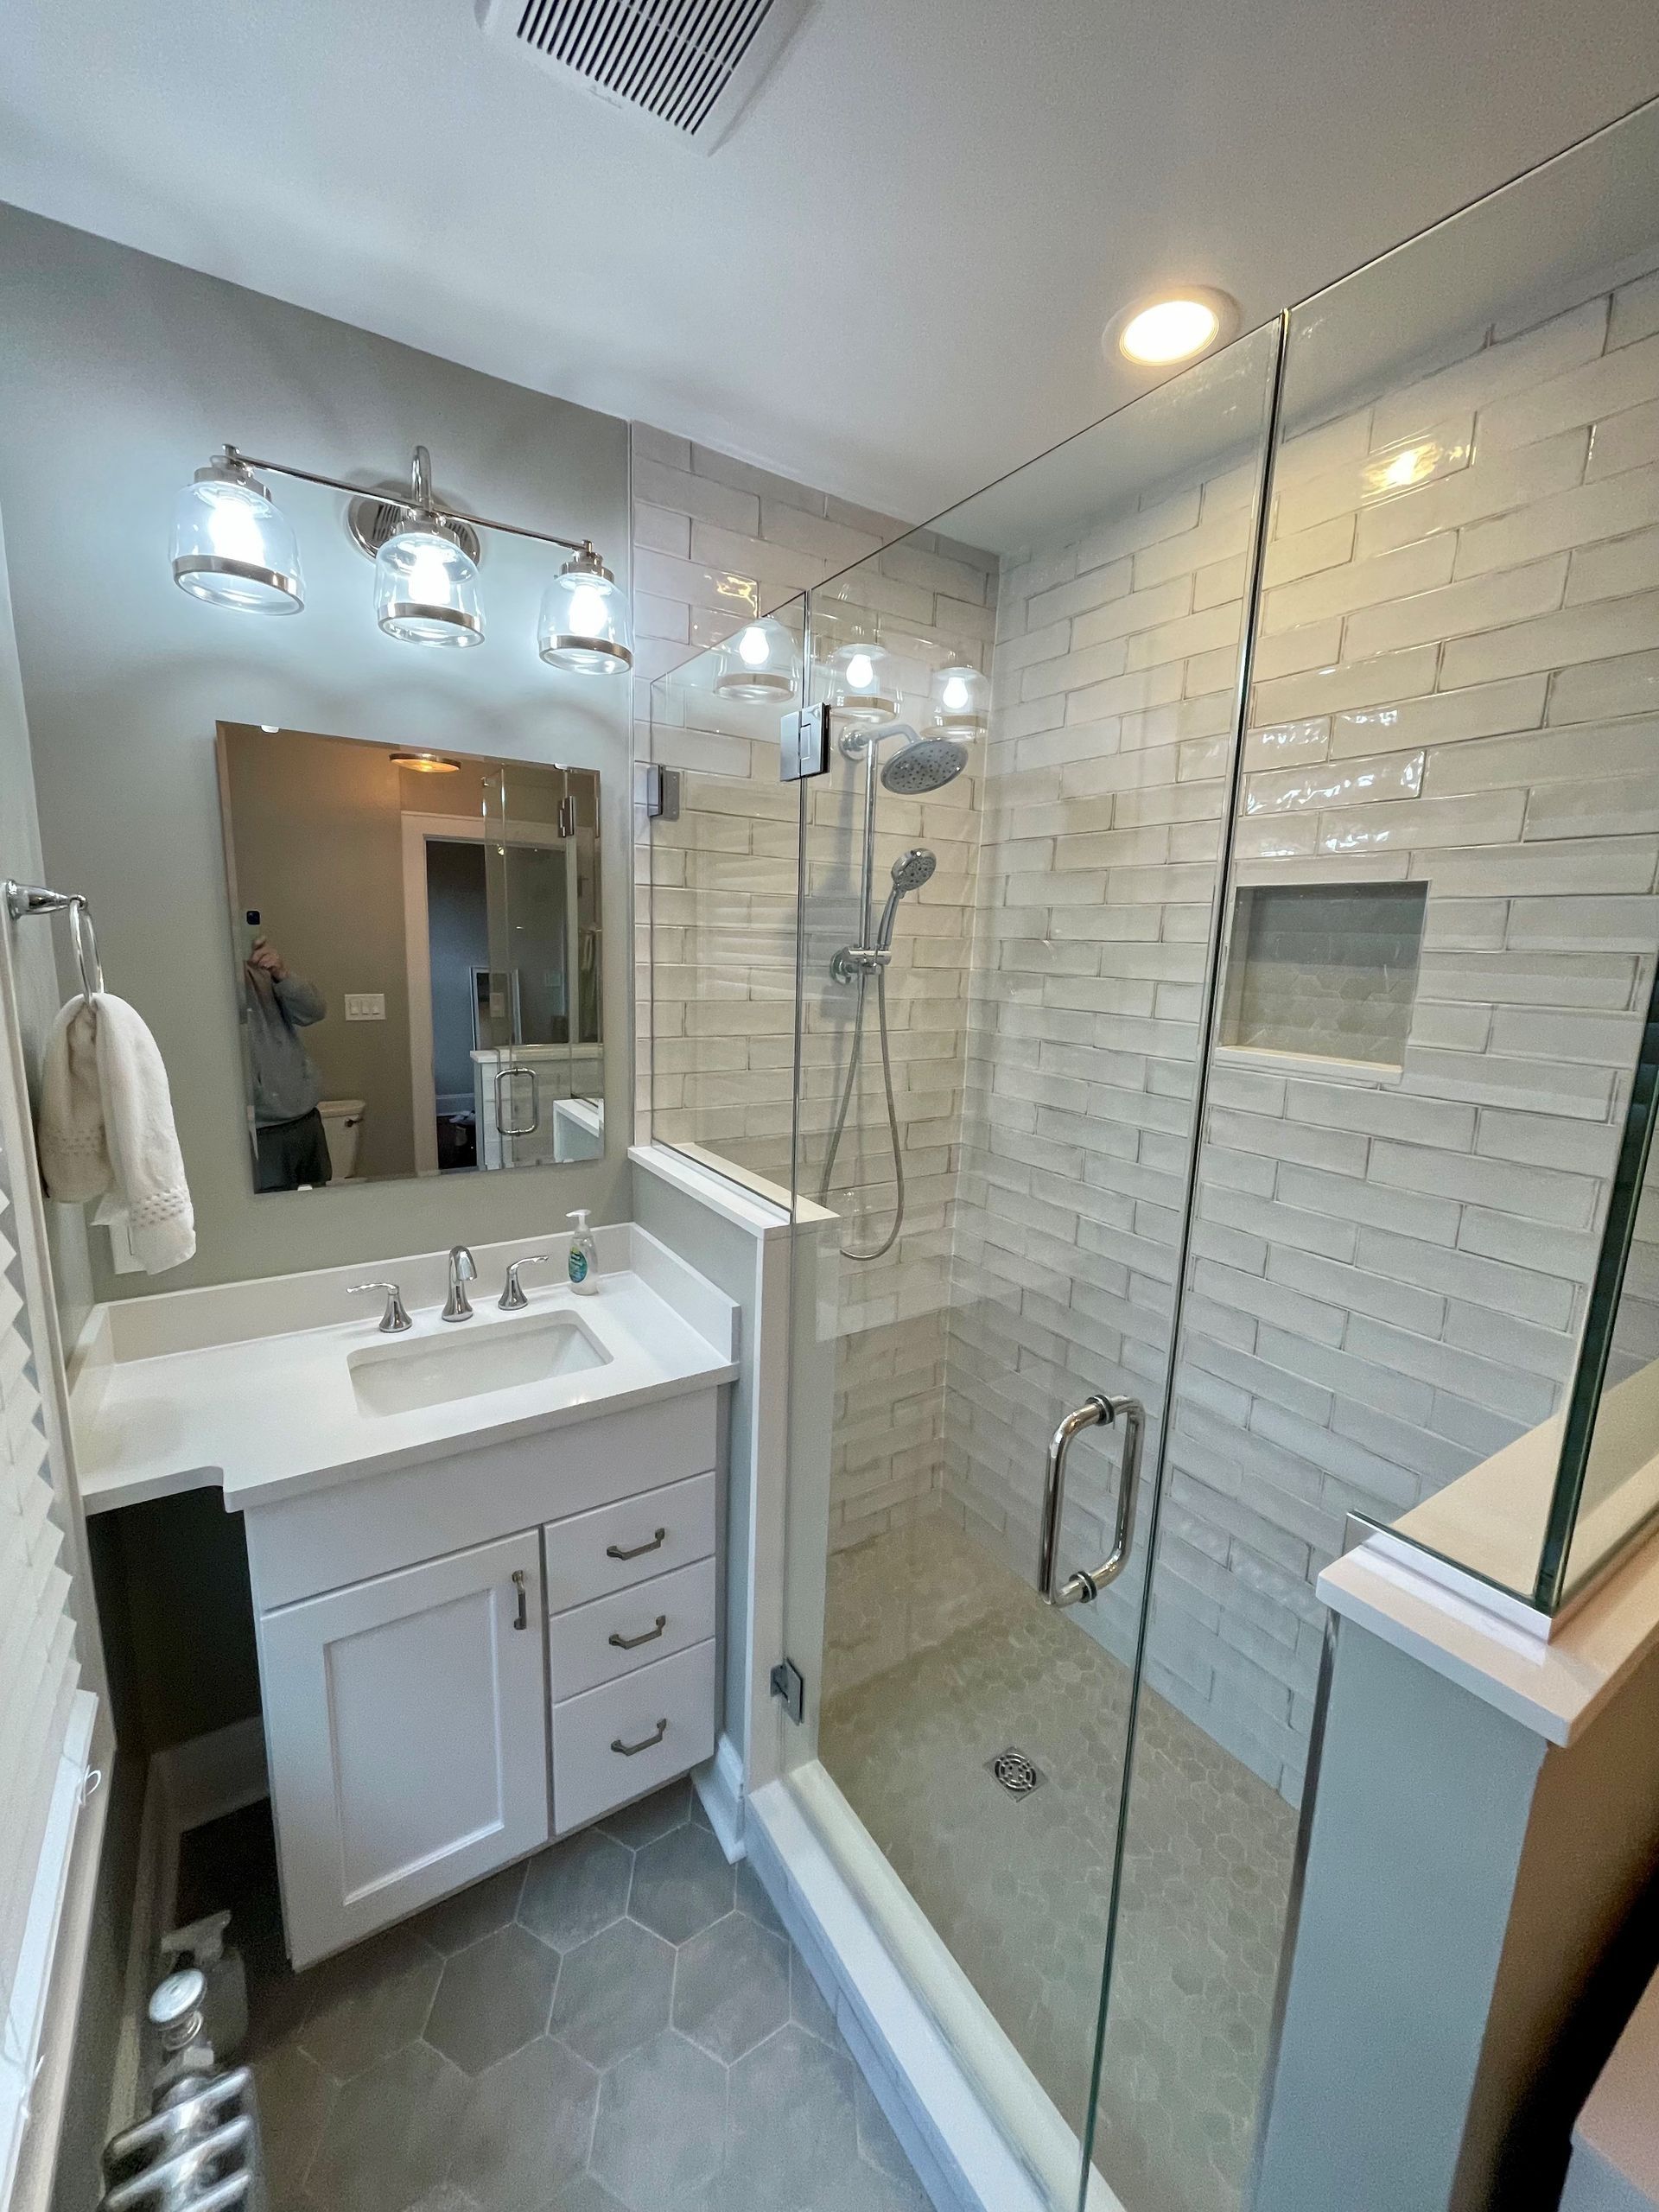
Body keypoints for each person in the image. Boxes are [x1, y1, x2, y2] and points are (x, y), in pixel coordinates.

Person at [244, 938, 331, 1190]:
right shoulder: (202, 979)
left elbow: (314, 1011)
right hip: (260, 1130)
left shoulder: (261, 971)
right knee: (274, 1219)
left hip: (305, 1119)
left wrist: (282, 974)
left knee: (321, 1211)